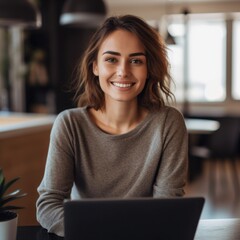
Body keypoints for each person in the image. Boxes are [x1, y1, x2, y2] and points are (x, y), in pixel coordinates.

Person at [36, 14, 188, 237]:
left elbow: (166, 207)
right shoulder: (69, 124)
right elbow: (48, 204)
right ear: (95, 66)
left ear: (149, 69)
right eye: (111, 59)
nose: (123, 71)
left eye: (136, 61)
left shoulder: (168, 123)